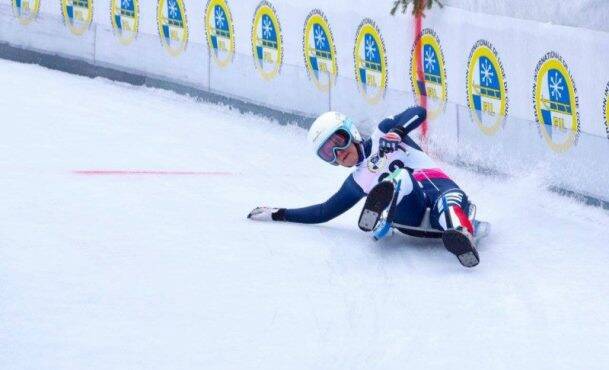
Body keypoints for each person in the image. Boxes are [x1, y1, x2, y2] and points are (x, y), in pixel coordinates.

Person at [247, 106, 481, 267]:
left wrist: (397, 132)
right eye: (329, 153)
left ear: (351, 132)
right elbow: (324, 211)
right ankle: (383, 200)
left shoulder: (383, 133)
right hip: (412, 214)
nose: (339, 154)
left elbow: (418, 112)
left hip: (441, 191)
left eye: (338, 142)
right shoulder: (358, 180)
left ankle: (461, 237)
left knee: (447, 201)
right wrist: (279, 214)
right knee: (401, 177)